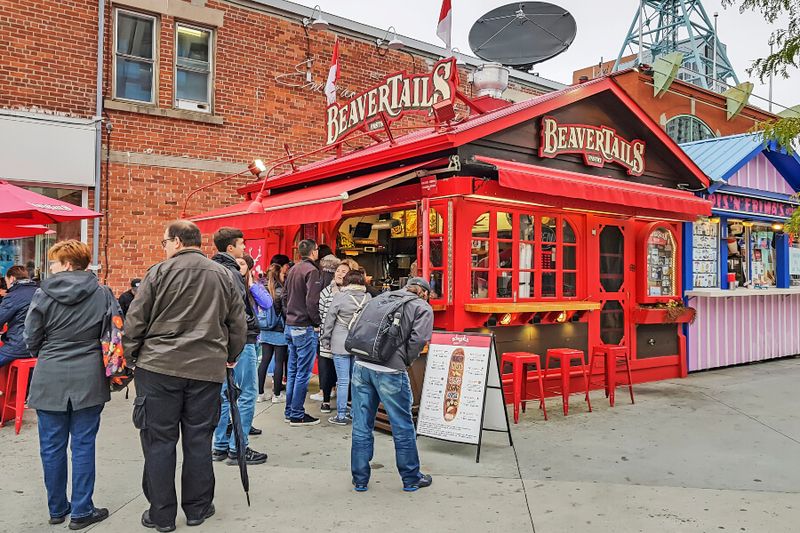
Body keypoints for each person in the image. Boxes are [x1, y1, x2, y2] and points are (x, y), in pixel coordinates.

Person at [124, 221, 247, 532]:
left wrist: (131, 356)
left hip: (158, 367)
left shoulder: (158, 272)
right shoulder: (222, 275)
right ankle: (197, 508)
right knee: (198, 441)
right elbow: (238, 323)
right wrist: (230, 357)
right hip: (206, 369)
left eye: (165, 241)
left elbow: (135, 320)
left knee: (158, 441)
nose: (163, 247)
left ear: (177, 241)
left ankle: (161, 514)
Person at [23, 240, 112, 529]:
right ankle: (82, 510)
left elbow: (31, 337)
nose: (50, 267)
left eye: (54, 262)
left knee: (51, 446)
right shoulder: (102, 293)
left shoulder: (42, 294)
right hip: (89, 374)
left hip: (50, 373)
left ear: (68, 264)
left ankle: (57, 508)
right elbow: (112, 333)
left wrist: (46, 353)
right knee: (84, 445)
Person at [350, 277, 434, 493]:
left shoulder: (380, 298)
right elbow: (419, 339)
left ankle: (360, 480)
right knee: (402, 425)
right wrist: (404, 360)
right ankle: (411, 478)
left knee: (361, 425)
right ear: (423, 293)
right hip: (390, 370)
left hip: (361, 364)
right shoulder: (421, 307)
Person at [210, 228, 267, 465]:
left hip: (221, 342)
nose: (245, 248)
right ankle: (238, 447)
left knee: (226, 395)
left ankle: (221, 444)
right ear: (230, 248)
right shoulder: (232, 273)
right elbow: (239, 314)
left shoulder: (212, 270)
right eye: (242, 244)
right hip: (240, 343)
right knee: (246, 394)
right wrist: (251, 327)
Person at [320, 269, 371, 425]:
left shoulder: (340, 297)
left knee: (343, 380)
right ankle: (355, 413)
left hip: (340, 341)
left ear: (347, 281)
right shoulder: (367, 297)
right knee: (357, 380)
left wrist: (325, 338)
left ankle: (341, 415)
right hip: (359, 343)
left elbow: (329, 320)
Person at [281, 239, 322, 426]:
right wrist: (317, 322)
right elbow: (312, 301)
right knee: (303, 373)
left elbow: (284, 297)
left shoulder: (293, 269)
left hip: (290, 324)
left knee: (293, 371)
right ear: (314, 252)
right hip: (303, 326)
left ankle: (290, 410)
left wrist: (288, 316)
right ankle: (297, 413)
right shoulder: (311, 271)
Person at [312, 254, 343, 413]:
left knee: (343, 372)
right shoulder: (325, 291)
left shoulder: (349, 293)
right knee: (326, 368)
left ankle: (344, 403)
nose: (340, 274)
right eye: (338, 271)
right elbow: (321, 312)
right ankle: (325, 399)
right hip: (327, 336)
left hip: (344, 338)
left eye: (344, 272)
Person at [257, 256, 289, 404]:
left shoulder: (262, 289)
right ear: (278, 275)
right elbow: (284, 311)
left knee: (264, 361)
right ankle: (276, 394)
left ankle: (260, 393)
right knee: (278, 362)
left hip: (265, 329)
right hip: (279, 330)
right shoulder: (281, 291)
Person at [0, 265, 38, 368]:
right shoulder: (40, 291)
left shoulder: (14, 296)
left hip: (19, 346)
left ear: (12, 278)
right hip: (39, 347)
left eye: (6, 281)